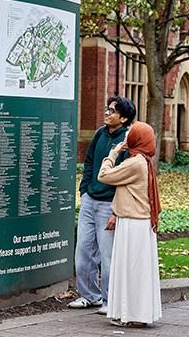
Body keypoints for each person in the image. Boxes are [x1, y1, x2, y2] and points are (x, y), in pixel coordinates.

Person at [69, 97, 136, 313]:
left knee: (108, 258)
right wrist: (84, 189)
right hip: (90, 200)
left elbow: (126, 178)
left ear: (123, 118)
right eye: (107, 109)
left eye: (112, 111)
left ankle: (110, 301)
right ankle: (90, 296)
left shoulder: (127, 141)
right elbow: (89, 162)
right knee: (82, 253)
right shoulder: (99, 133)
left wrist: (116, 211)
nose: (107, 113)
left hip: (109, 205)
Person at [97, 121, 162, 327]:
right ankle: (136, 314)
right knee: (137, 271)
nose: (126, 138)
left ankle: (134, 315)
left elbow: (104, 176)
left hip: (133, 224)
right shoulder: (143, 161)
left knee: (131, 271)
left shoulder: (135, 163)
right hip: (138, 222)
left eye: (130, 135)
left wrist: (113, 153)